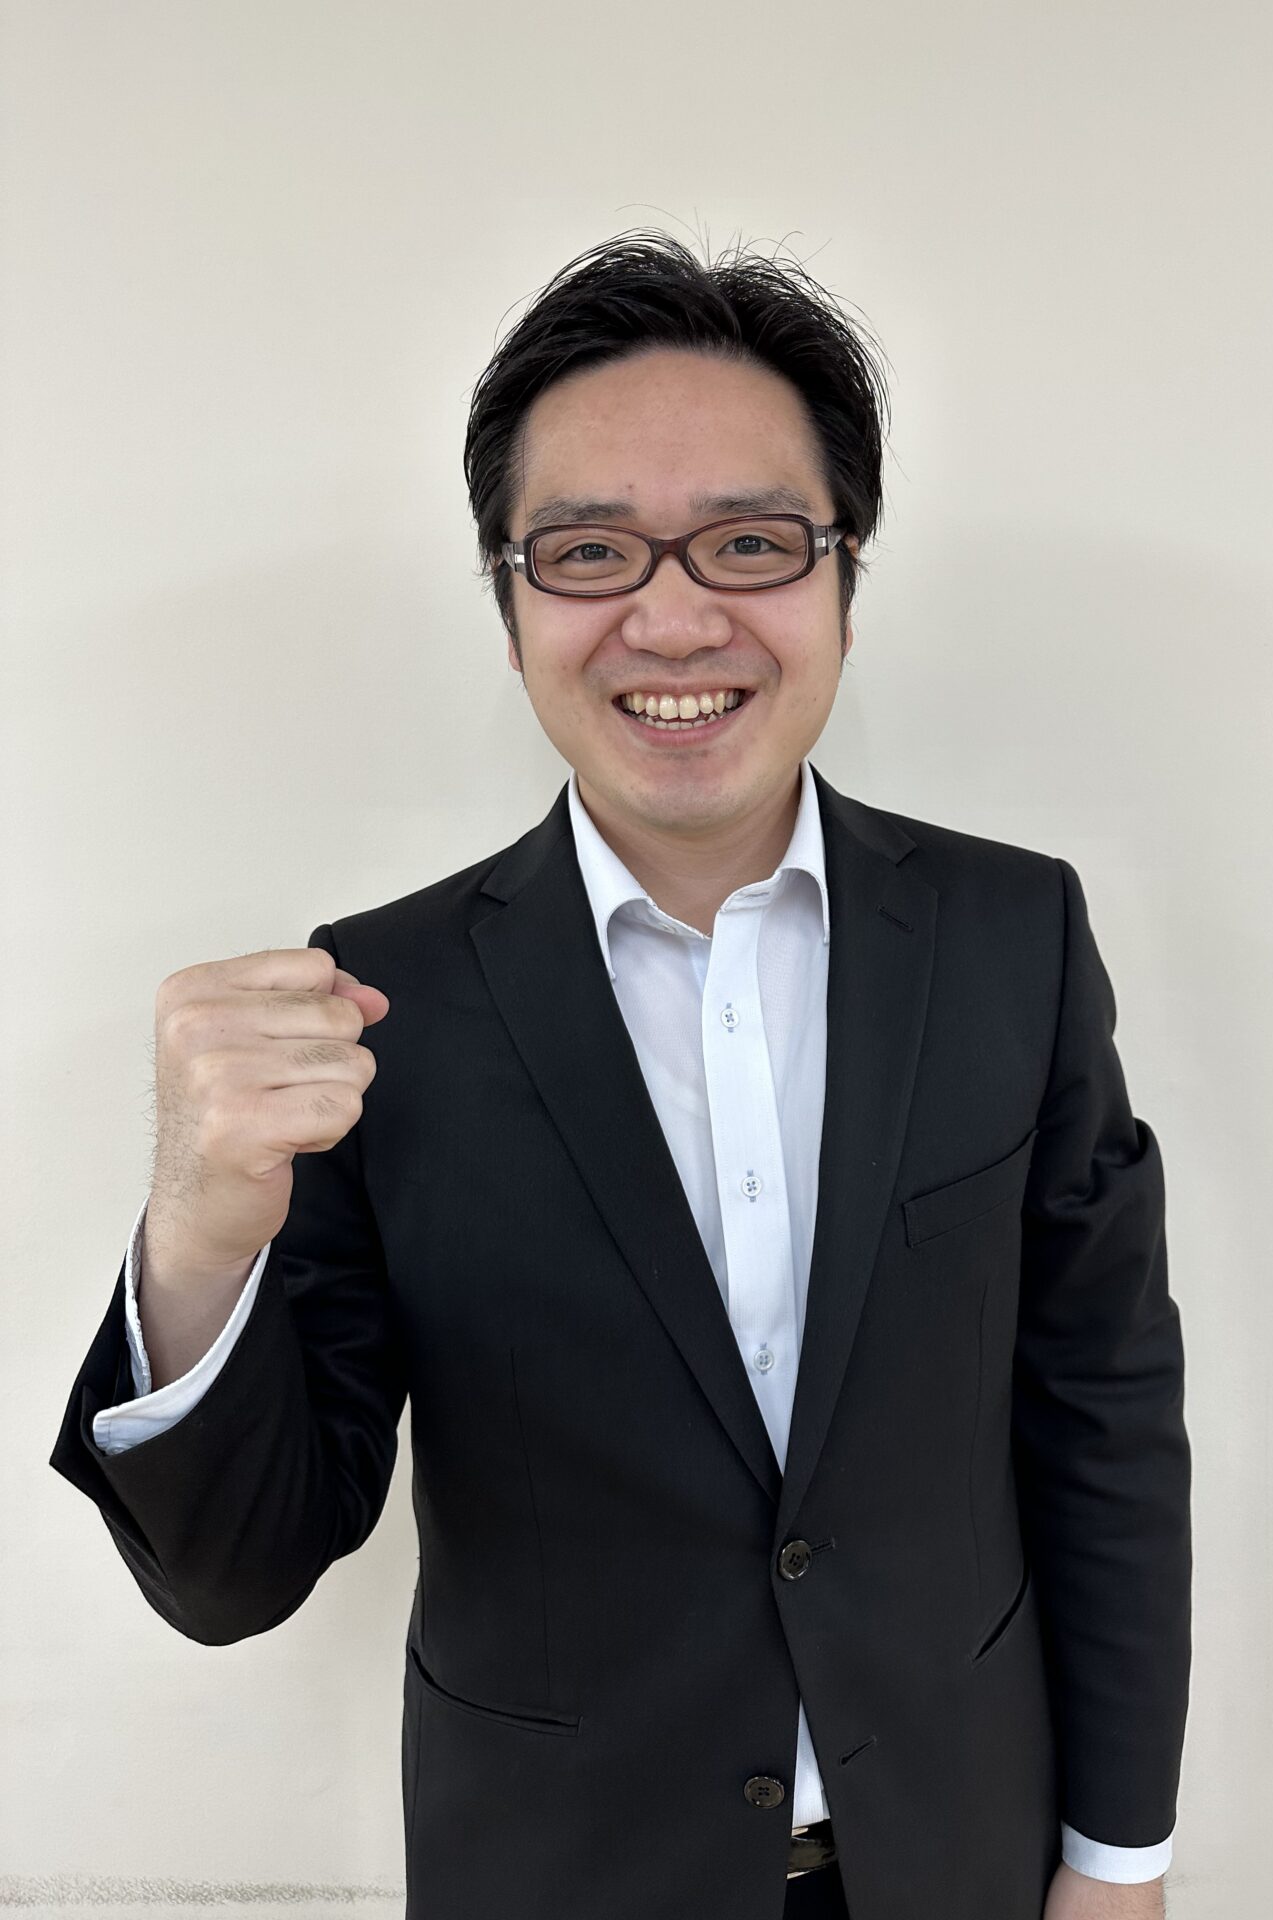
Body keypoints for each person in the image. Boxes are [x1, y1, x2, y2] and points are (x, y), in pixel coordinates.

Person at [50, 231, 1192, 1920]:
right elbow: (236, 1577)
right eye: (589, 551)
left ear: (845, 577)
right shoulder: (382, 1001)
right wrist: (201, 1232)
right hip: (560, 1873)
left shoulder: (1012, 938)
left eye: (751, 541)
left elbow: (1103, 1411)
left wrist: (1120, 1854)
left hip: (965, 1851)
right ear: (509, 607)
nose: (672, 616)